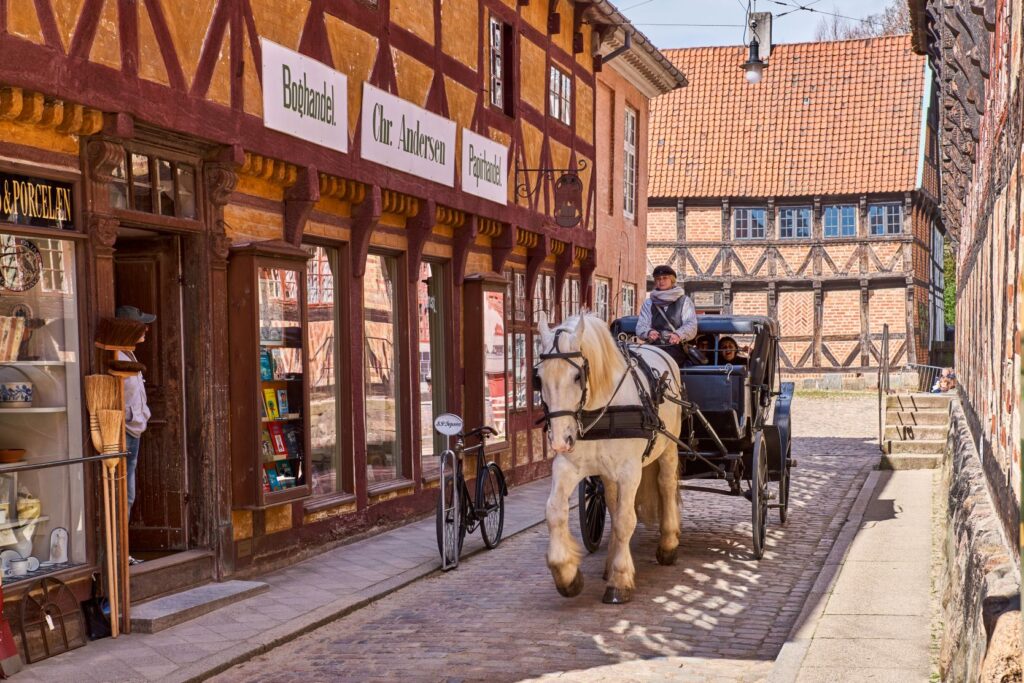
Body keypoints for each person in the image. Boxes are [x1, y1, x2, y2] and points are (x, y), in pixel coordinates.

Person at [116, 305, 155, 566]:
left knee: (128, 494)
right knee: (123, 495)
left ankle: (123, 551)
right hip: (124, 431)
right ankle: (119, 553)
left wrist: (143, 415)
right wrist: (130, 417)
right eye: (142, 326)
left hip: (134, 429)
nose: (146, 330)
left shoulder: (129, 355)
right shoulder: (117, 356)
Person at [635, 265, 698, 365]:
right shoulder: (649, 303)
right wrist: (649, 332)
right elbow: (641, 325)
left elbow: (691, 325)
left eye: (665, 278)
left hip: (677, 349)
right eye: (658, 279)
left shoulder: (684, 301)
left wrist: (678, 334)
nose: (661, 281)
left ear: (672, 280)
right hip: (654, 349)